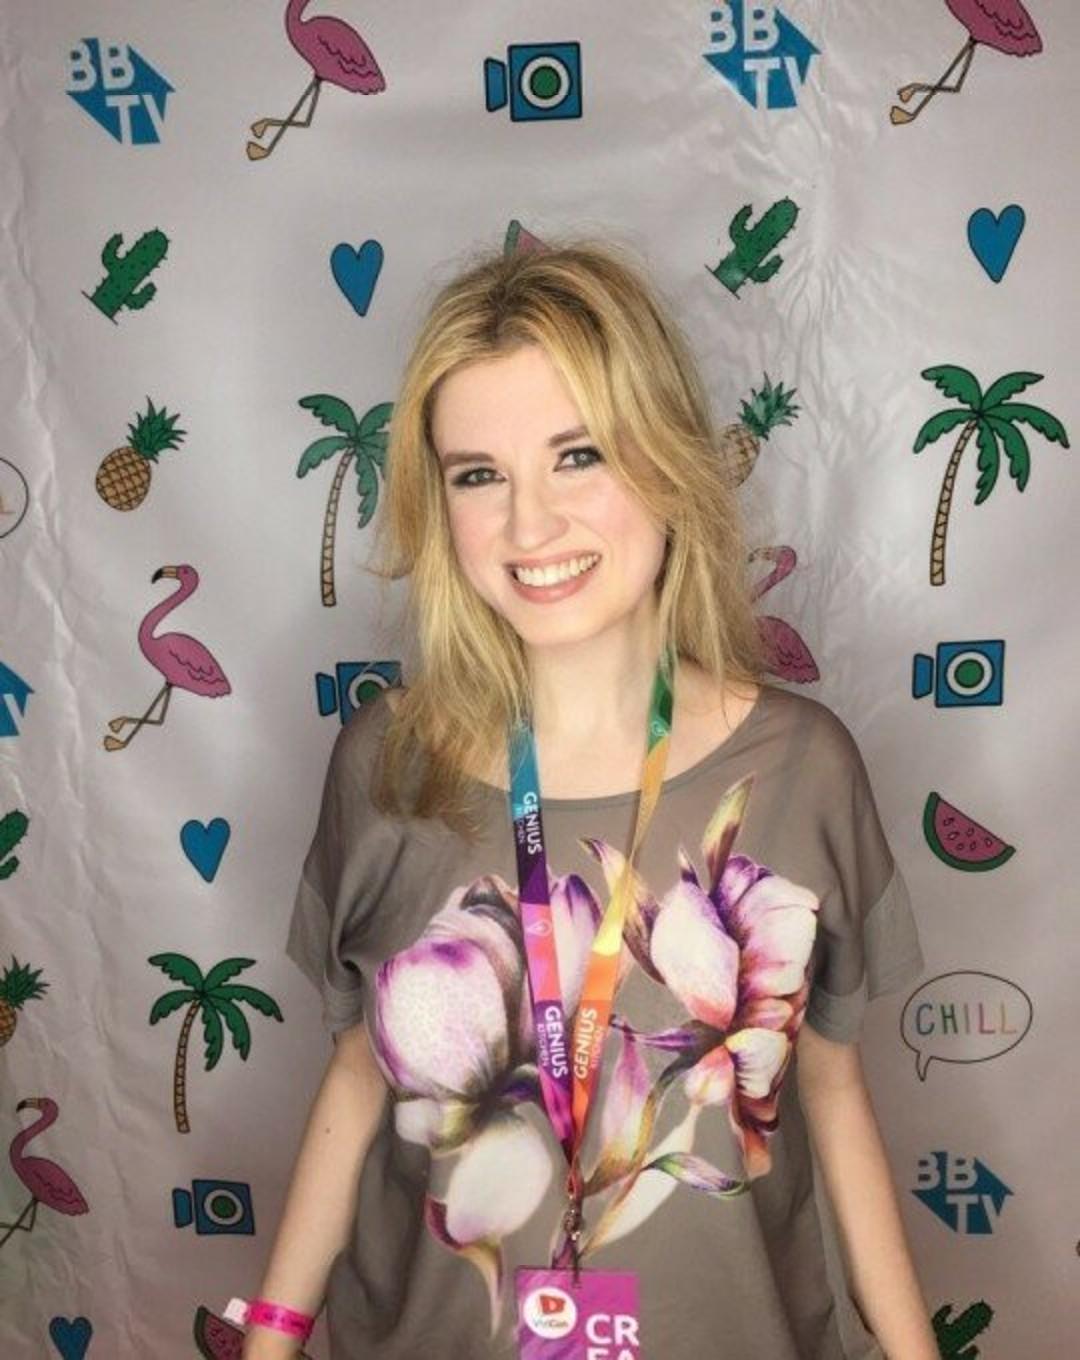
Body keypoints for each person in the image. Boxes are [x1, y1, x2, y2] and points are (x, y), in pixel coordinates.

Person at [241, 241, 937, 1359]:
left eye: (579, 455)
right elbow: (361, 1072)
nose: (530, 527)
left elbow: (835, 1089)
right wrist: (271, 1338)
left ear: (668, 461)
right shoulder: (384, 765)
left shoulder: (804, 768)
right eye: (478, 475)